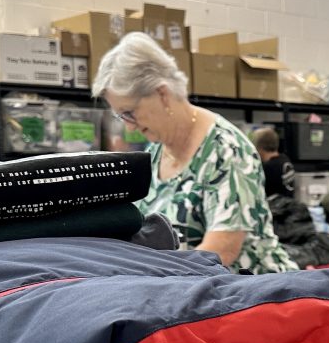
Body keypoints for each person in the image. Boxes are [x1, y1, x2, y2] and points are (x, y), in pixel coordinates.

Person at [92, 32, 297, 274]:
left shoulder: (226, 149)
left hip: (248, 293)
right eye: (121, 116)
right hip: (187, 288)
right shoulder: (156, 150)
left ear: (162, 94)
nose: (129, 126)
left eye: (129, 112)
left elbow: (223, 250)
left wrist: (152, 282)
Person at [251, 127, 296, 198]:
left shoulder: (269, 168)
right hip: (288, 206)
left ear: (258, 146)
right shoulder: (285, 160)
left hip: (275, 208)